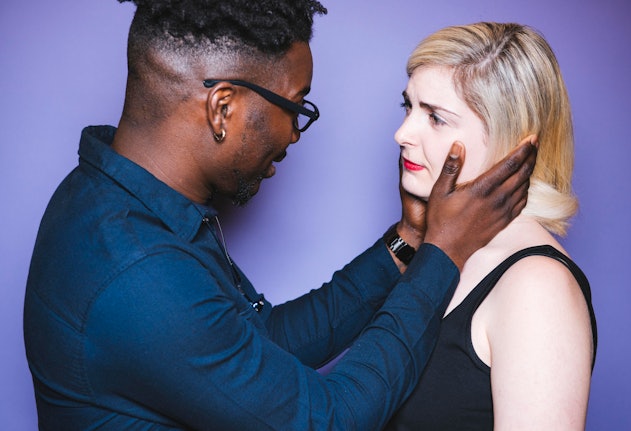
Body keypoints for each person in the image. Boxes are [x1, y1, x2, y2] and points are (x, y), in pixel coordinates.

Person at [23, 2, 537, 430]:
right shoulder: (139, 271)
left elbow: (263, 341)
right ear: (222, 108)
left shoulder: (113, 199)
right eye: (294, 107)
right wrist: (443, 253)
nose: (294, 133)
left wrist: (409, 238)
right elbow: (328, 420)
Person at [383, 22, 597, 431]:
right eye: (408, 106)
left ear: (514, 144)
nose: (402, 133)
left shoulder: (538, 287)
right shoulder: (436, 250)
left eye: (436, 118)